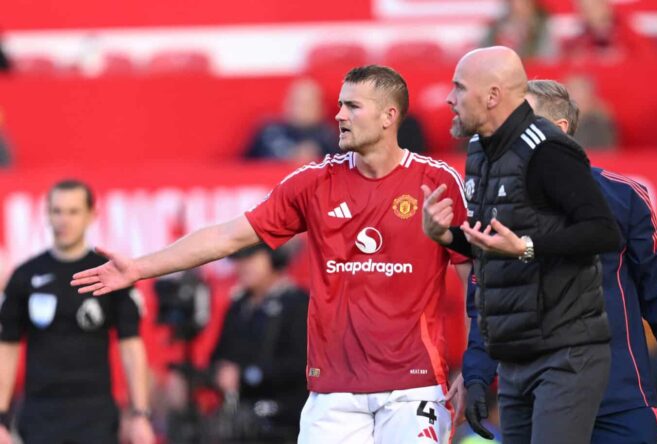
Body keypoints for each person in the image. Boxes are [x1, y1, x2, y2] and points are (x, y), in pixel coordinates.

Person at [72, 65, 471, 443]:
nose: (338, 115)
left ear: (389, 116)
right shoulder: (314, 183)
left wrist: (474, 365)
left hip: (413, 387)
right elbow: (228, 236)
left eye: (352, 106)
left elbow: (472, 277)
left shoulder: (437, 181)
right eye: (338, 104)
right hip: (334, 393)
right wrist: (139, 268)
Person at [454, 79, 657, 444]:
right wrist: (476, 375)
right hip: (536, 403)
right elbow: (489, 303)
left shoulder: (623, 197)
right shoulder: (496, 204)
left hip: (619, 403)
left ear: (558, 132)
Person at [423, 46, 620, 443]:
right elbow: (491, 244)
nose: (449, 98)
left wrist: (528, 247)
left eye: (459, 88)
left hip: (566, 352)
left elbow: (604, 231)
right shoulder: (480, 150)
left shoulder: (548, 150)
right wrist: (446, 235)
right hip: (515, 355)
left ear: (492, 96)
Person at [0, 179, 154, 444]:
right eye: (57, 211)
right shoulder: (25, 275)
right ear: (47, 214)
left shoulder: (110, 274)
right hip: (40, 414)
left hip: (95, 413)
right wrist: (1, 417)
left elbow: (130, 345)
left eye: (73, 211)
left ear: (91, 215)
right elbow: (7, 348)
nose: (64, 220)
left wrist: (140, 414)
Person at [210, 244, 308, 442]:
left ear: (275, 257)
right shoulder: (238, 306)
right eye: (240, 260)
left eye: (251, 258)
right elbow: (219, 356)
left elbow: (302, 365)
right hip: (241, 422)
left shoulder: (298, 303)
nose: (243, 267)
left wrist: (247, 374)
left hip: (287, 423)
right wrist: (219, 373)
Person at [244, 78, 338, 163]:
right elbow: (242, 167)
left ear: (321, 108)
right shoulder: (268, 133)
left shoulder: (330, 137)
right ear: (286, 103)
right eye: (297, 102)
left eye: (308, 104)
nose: (302, 109)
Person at [480, 0, 555, 59]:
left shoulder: (541, 28)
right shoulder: (496, 27)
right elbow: (484, 50)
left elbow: (545, 56)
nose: (520, 5)